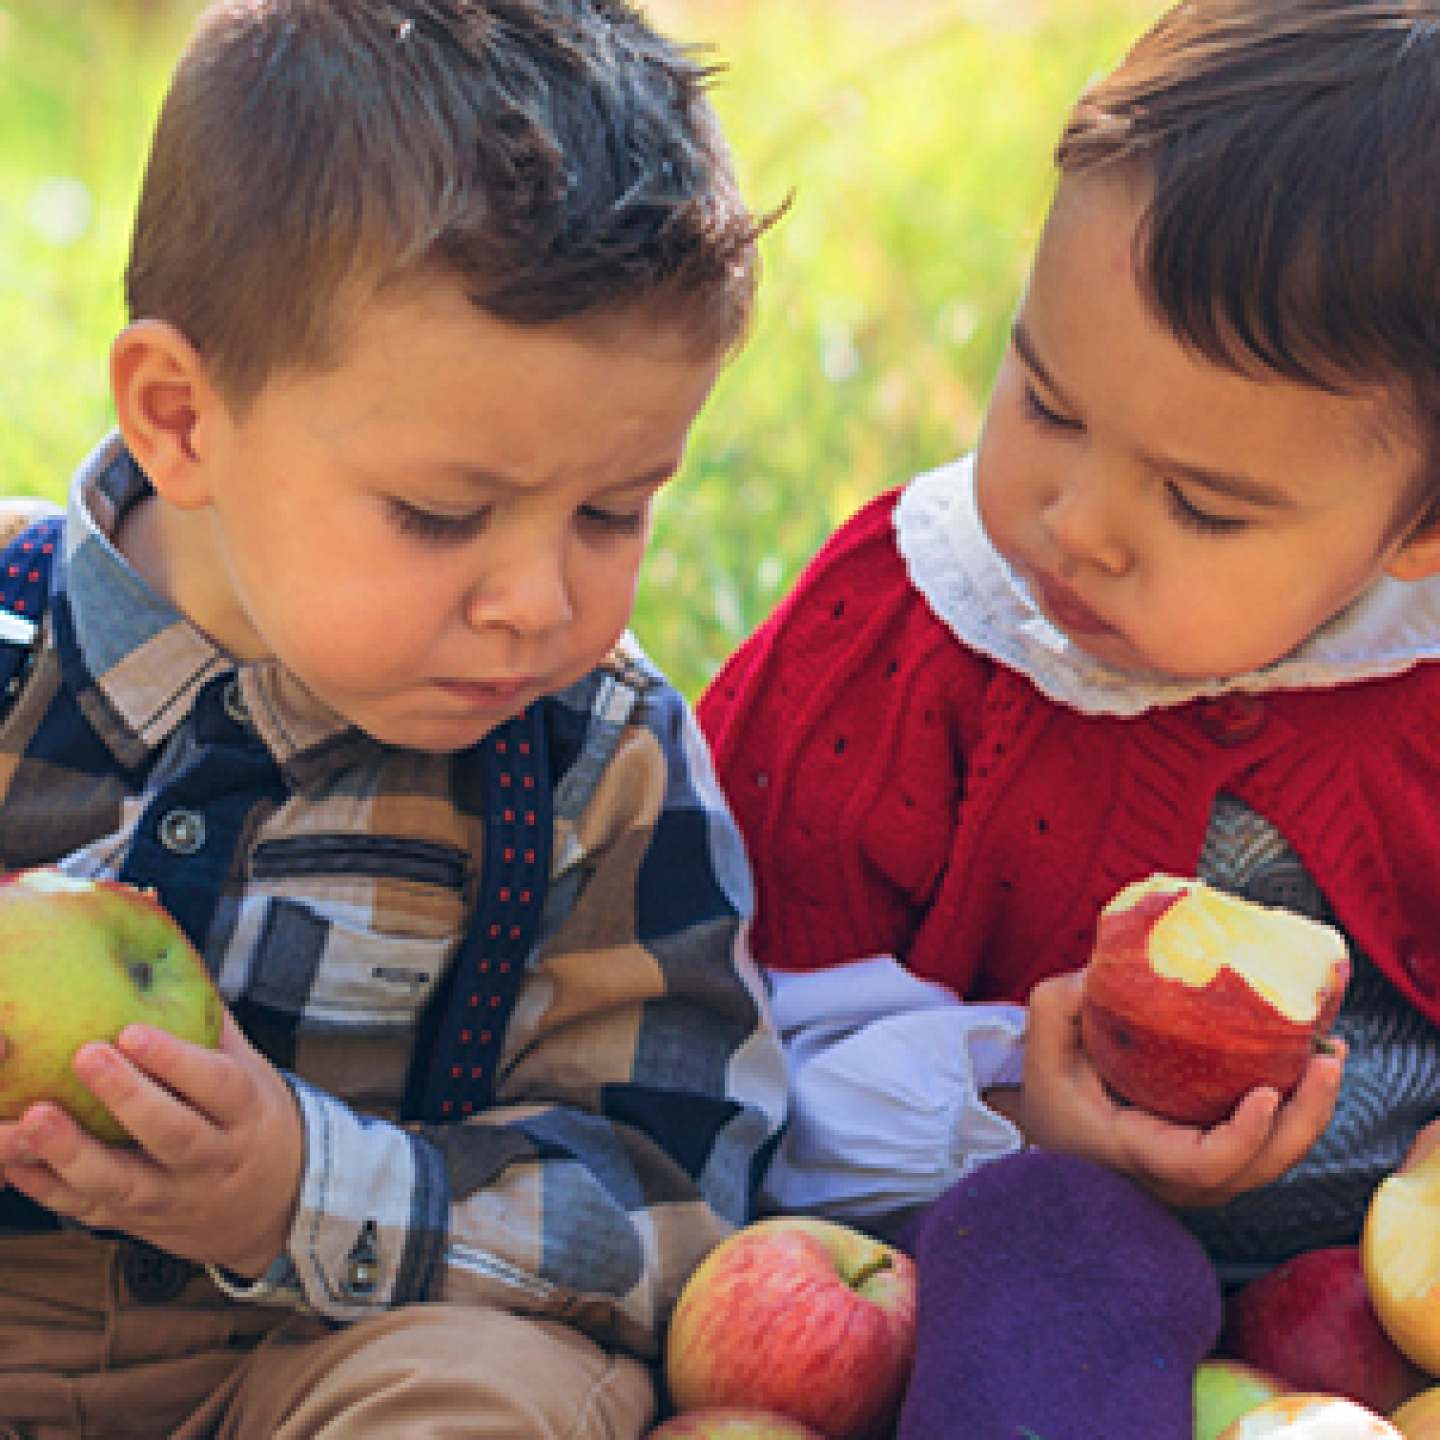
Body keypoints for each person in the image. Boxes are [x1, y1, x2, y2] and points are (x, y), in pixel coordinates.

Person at [0, 2, 789, 1435]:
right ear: (181, 418)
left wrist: (303, 1188)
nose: (537, 603)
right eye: (443, 514)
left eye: (614, 510)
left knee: (487, 1398)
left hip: (317, 1351)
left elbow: (675, 1194)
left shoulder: (590, 766)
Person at [700, 1, 1440, 1434]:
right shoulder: (912, 647)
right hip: (1038, 1267)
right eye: (1044, 401)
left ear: (1423, 529)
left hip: (1390, 1288)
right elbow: (731, 1057)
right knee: (1043, 1247)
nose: (1078, 524)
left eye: (1203, 505)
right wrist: (1014, 1113)